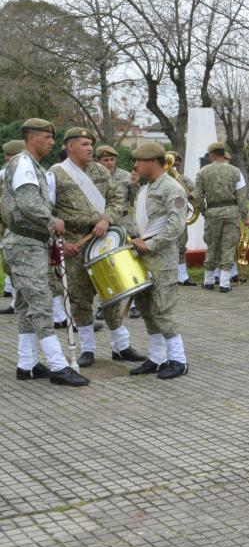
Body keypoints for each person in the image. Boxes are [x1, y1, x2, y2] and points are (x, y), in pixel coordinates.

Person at [47, 127, 145, 368]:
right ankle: (88, 348)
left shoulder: (101, 170)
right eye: (84, 144)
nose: (90, 148)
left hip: (103, 240)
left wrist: (106, 219)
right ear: (69, 146)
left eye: (91, 143)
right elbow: (45, 212)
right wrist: (60, 243)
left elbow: (116, 199)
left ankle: (121, 346)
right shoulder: (56, 174)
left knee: (112, 292)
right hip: (74, 244)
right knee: (80, 299)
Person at [2, 119, 90, 386]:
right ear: (32, 138)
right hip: (25, 244)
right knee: (40, 304)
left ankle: (26, 364)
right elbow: (28, 203)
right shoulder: (25, 164)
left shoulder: (30, 165)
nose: (53, 142)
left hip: (29, 243)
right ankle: (58, 365)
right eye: (47, 137)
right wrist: (53, 223)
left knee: (27, 305)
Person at [127, 142, 190, 379]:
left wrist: (150, 244)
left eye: (139, 161)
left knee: (163, 309)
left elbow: (176, 226)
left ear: (152, 162)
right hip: (143, 259)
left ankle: (178, 360)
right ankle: (156, 358)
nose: (135, 165)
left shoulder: (171, 188)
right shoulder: (147, 188)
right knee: (147, 309)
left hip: (162, 259)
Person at [192, 142, 249, 293]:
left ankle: (208, 281)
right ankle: (224, 283)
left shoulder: (203, 172)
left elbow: (197, 197)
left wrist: (204, 211)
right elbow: (242, 197)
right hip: (231, 212)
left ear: (211, 155)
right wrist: (245, 216)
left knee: (212, 246)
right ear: (224, 154)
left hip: (212, 212)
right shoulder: (236, 171)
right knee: (228, 247)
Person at [1, 139, 25, 315]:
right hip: (6, 229)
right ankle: (17, 302)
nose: (6, 159)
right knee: (9, 267)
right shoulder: (3, 174)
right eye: (5, 155)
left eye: (10, 155)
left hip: (25, 232)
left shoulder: (29, 174)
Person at [169, 151, 197, 287]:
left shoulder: (183, 179)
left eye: (178, 161)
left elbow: (195, 190)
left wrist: (191, 194)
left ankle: (182, 276)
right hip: (164, 219)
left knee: (181, 247)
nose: (176, 164)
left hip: (180, 218)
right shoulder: (158, 178)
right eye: (174, 161)